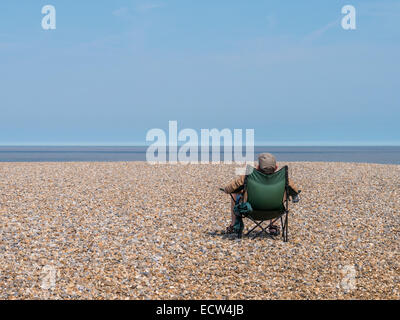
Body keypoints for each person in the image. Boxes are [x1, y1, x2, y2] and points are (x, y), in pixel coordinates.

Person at [222, 153, 300, 235]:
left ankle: (234, 225)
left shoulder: (249, 176)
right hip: (276, 211)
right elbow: (295, 192)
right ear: (276, 167)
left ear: (258, 167)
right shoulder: (282, 178)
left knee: (235, 194)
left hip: (252, 211)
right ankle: (273, 226)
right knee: (280, 193)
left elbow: (228, 189)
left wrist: (228, 190)